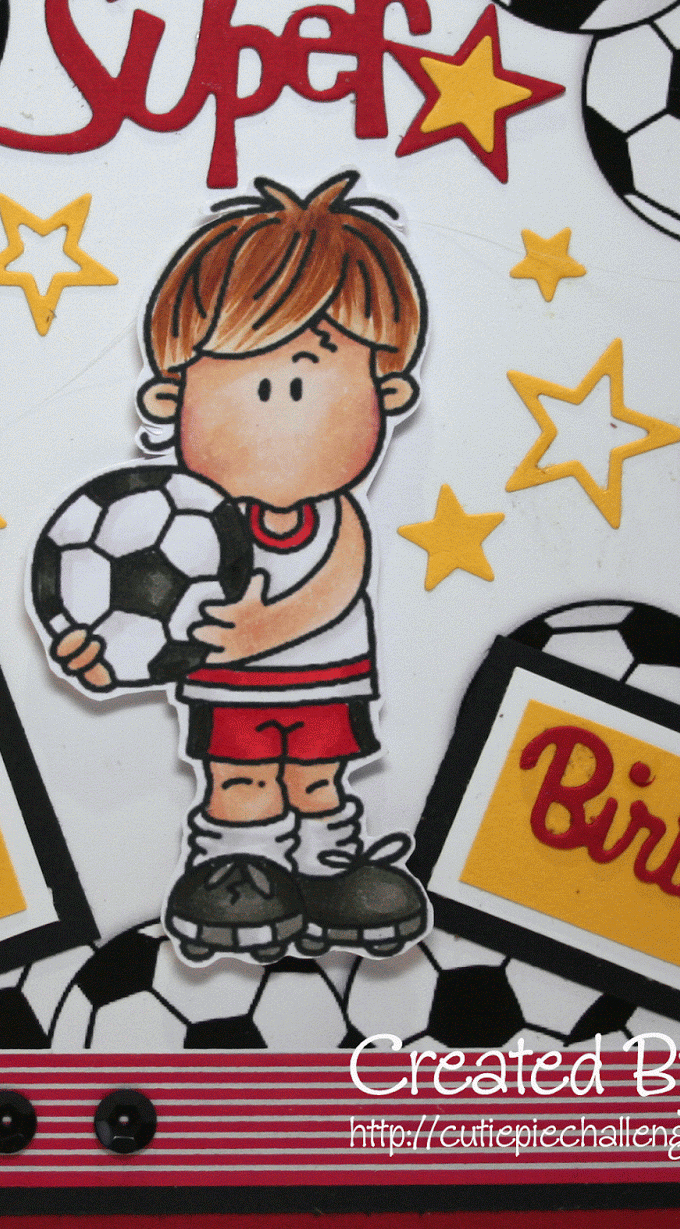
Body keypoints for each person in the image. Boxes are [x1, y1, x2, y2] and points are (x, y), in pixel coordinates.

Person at [52, 171, 429, 963]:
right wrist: (103, 656)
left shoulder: (337, 519)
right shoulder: (175, 522)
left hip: (324, 677)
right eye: (249, 375)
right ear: (171, 400)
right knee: (240, 779)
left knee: (318, 777)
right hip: (229, 691)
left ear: (387, 393)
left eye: (312, 370)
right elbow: (136, 606)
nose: (281, 397)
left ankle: (327, 871)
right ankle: (240, 870)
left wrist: (264, 629)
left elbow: (338, 583)